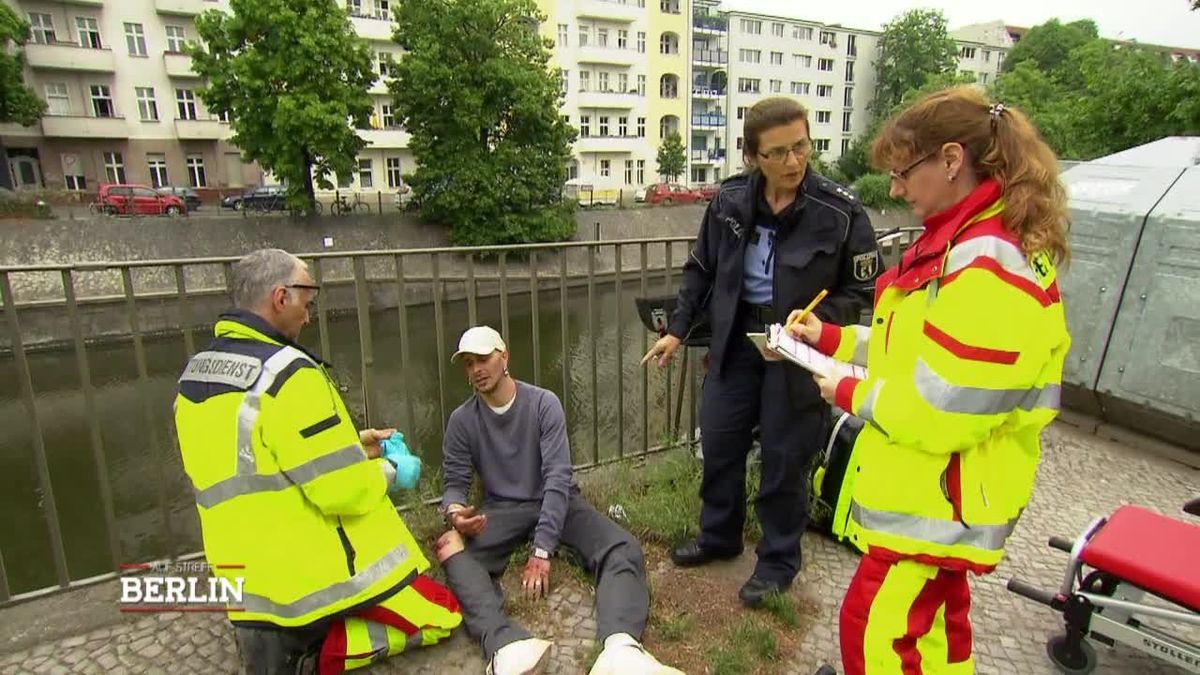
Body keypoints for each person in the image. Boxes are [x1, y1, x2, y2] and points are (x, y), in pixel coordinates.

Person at [790, 88, 1071, 674]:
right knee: (937, 634)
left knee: (878, 636)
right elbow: (918, 348)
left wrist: (845, 390)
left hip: (943, 495)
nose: (895, 189)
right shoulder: (970, 242)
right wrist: (832, 339)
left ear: (950, 160)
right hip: (943, 495)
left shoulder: (987, 265)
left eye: (902, 173)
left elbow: (943, 407)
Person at [640, 97, 882, 606]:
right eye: (779, 153)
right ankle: (719, 537)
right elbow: (701, 270)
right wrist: (678, 330)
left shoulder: (839, 212)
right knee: (721, 442)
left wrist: (818, 325)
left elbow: (860, 294)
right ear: (752, 156)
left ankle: (777, 563)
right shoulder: (728, 201)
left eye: (801, 147)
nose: (794, 161)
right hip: (735, 340)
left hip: (798, 348)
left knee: (785, 456)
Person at [174, 248, 462, 674]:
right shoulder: (289, 373)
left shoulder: (196, 373)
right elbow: (340, 490)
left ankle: (274, 641)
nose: (308, 318)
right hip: (304, 581)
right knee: (442, 612)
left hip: (246, 582)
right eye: (306, 305)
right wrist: (392, 472)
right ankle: (313, 654)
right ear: (280, 297)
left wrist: (352, 442)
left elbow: (260, 461)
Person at [440, 326, 682, 675]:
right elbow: (454, 481)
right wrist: (455, 511)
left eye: (483, 358)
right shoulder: (462, 421)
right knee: (451, 546)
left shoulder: (542, 403)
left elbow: (558, 476)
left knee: (622, 547)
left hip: (557, 501)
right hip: (503, 509)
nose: (476, 369)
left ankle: (620, 649)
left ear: (504, 356)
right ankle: (505, 646)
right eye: (468, 363)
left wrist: (542, 550)